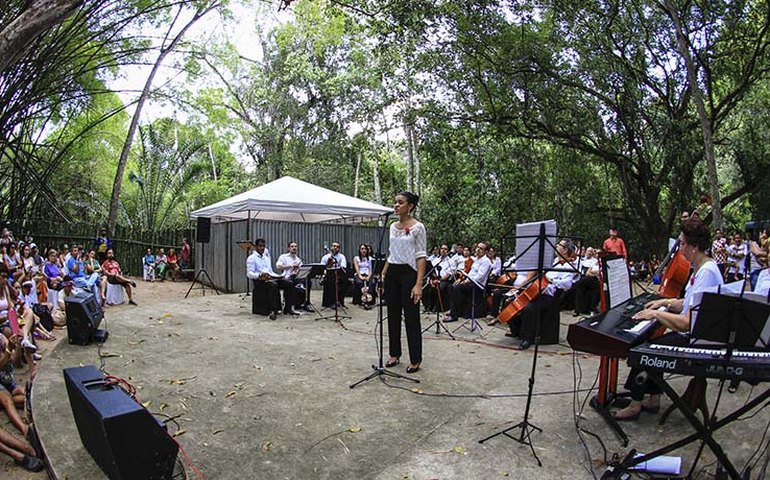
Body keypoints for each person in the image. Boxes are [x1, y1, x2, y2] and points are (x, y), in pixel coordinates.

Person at [612, 216, 723, 421]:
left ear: (694, 247)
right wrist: (666, 302)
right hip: (694, 334)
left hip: (697, 340)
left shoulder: (706, 273)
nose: (679, 249)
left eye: (682, 244)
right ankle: (654, 399)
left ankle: (635, 404)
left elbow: (688, 322)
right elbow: (689, 303)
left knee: (644, 349)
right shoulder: (702, 267)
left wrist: (656, 314)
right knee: (655, 341)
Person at [382, 192, 427, 374]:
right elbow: (391, 252)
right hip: (392, 271)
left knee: (411, 317)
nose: (396, 205)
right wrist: (383, 273)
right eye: (395, 202)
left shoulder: (418, 227)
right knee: (392, 314)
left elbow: (421, 256)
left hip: (409, 273)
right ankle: (394, 353)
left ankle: (415, 358)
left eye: (400, 202)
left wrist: (418, 284)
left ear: (410, 206)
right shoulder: (392, 226)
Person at [507, 240, 578, 350]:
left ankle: (527, 338)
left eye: (559, 245)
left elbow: (567, 284)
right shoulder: (553, 261)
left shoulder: (569, 266)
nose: (556, 246)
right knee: (511, 301)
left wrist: (551, 281)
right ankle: (516, 331)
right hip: (538, 291)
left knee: (528, 308)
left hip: (550, 296)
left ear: (565, 250)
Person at [445, 242, 492, 323]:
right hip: (470, 282)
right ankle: (455, 309)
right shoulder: (476, 260)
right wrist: (464, 280)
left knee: (459, 288)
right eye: (478, 247)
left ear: (485, 251)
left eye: (481, 249)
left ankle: (453, 315)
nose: (478, 249)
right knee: (452, 287)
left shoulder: (486, 261)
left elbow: (480, 276)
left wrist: (467, 281)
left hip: (478, 285)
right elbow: (471, 273)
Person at [246, 239, 281, 320]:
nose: (262, 248)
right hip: (259, 281)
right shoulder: (251, 258)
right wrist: (259, 275)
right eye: (260, 246)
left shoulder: (266, 258)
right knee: (273, 285)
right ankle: (272, 310)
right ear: (256, 247)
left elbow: (270, 271)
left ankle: (289, 307)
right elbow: (249, 273)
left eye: (263, 246)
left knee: (287, 282)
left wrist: (279, 276)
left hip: (269, 278)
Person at [275, 241, 304, 315]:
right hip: (286, 277)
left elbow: (301, 269)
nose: (294, 248)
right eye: (292, 246)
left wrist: (297, 271)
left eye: (295, 246)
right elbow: (278, 266)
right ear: (288, 248)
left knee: (308, 282)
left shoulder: (298, 259)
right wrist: (291, 266)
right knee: (290, 283)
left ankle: (305, 303)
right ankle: (289, 308)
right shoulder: (283, 257)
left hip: (296, 277)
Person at [572, 247, 601, 316]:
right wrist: (594, 273)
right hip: (588, 279)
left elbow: (599, 273)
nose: (597, 255)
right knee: (580, 287)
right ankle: (577, 310)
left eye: (598, 254)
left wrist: (593, 273)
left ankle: (573, 286)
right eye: (596, 253)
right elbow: (588, 273)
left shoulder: (599, 262)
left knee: (582, 281)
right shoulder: (591, 262)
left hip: (596, 281)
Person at [320, 242, 347, 308]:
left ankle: (340, 301)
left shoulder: (342, 256)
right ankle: (330, 302)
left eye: (337, 247)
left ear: (339, 249)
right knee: (331, 281)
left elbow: (343, 267)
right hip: (328, 274)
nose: (335, 248)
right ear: (331, 247)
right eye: (334, 246)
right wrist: (330, 264)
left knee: (344, 281)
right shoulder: (325, 257)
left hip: (338, 274)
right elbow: (322, 268)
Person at [352, 244, 375, 309]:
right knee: (359, 282)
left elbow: (371, 269)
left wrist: (369, 276)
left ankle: (369, 299)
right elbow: (357, 268)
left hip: (368, 274)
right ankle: (359, 300)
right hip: (359, 274)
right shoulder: (356, 258)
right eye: (362, 249)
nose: (364, 250)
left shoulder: (370, 258)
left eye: (365, 249)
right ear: (359, 250)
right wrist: (360, 276)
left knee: (373, 282)